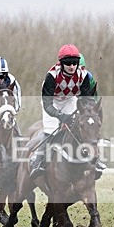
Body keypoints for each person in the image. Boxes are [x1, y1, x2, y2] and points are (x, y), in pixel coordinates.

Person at [29, 44, 99, 180]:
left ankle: (95, 160)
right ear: (61, 63)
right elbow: (47, 104)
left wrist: (88, 111)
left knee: (79, 128)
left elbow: (85, 99)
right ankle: (39, 161)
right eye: (68, 64)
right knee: (50, 131)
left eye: (74, 63)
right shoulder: (51, 76)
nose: (72, 66)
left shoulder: (83, 75)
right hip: (52, 102)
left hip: (69, 100)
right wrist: (61, 116)